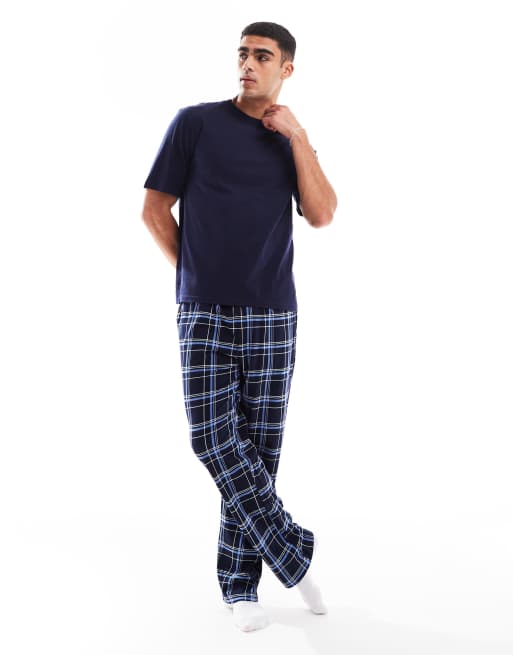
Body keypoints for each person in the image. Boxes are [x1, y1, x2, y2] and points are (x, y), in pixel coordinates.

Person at [141, 21, 337, 632]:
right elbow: (153, 208)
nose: (248, 64)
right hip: (203, 307)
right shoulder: (195, 123)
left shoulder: (289, 138)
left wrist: (299, 136)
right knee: (212, 438)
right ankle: (292, 552)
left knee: (259, 449)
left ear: (286, 69)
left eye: (262, 56)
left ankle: (240, 585)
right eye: (243, 54)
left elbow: (322, 214)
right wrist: (195, 273)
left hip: (274, 311)